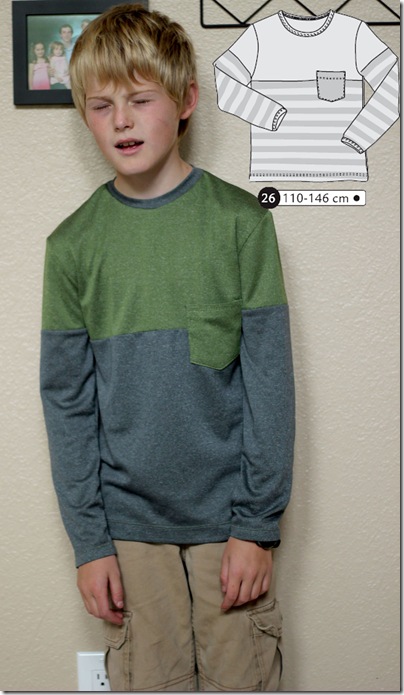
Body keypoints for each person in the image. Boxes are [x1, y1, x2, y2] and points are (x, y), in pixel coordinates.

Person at [40, 3, 295, 692]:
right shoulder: (72, 246)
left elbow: (269, 382)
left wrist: (257, 524)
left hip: (231, 524)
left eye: (140, 99)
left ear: (185, 102)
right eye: (101, 106)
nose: (121, 120)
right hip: (127, 531)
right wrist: (90, 543)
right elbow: (67, 404)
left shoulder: (241, 224)